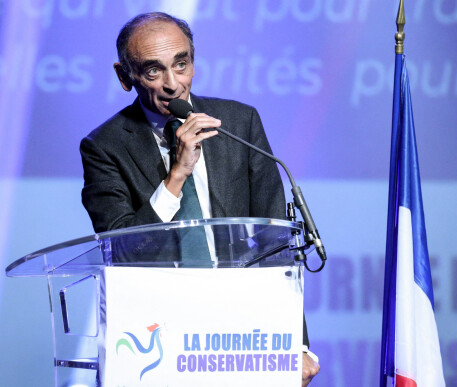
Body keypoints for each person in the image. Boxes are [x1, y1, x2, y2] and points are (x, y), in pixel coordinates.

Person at [80, 12, 319, 385]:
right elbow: (121, 247)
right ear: (125, 76)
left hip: (242, 335)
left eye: (181, 63)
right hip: (159, 333)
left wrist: (296, 343)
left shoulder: (239, 123)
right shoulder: (105, 146)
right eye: (153, 71)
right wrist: (177, 175)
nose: (174, 84)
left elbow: (277, 244)